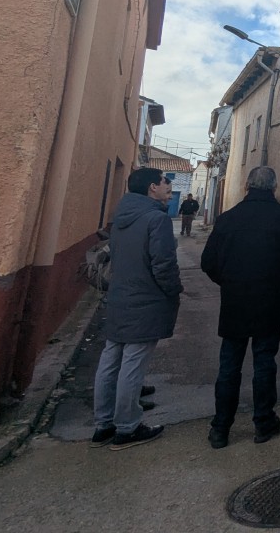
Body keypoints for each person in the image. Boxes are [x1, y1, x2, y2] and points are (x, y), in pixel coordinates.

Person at [200, 166, 280, 448]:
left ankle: (220, 428)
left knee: (229, 365)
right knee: (264, 363)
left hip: (234, 301)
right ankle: (263, 422)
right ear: (274, 188)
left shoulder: (227, 219)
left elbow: (208, 262)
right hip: (269, 301)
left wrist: (228, 281)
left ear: (247, 186)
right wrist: (278, 280)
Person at [91, 167, 182, 450]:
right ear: (152, 187)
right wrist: (174, 290)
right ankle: (127, 427)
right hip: (145, 299)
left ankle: (103, 425)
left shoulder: (122, 217)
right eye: (165, 182)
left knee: (111, 360)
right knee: (132, 364)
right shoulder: (157, 219)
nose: (168, 187)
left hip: (120, 297)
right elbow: (163, 264)